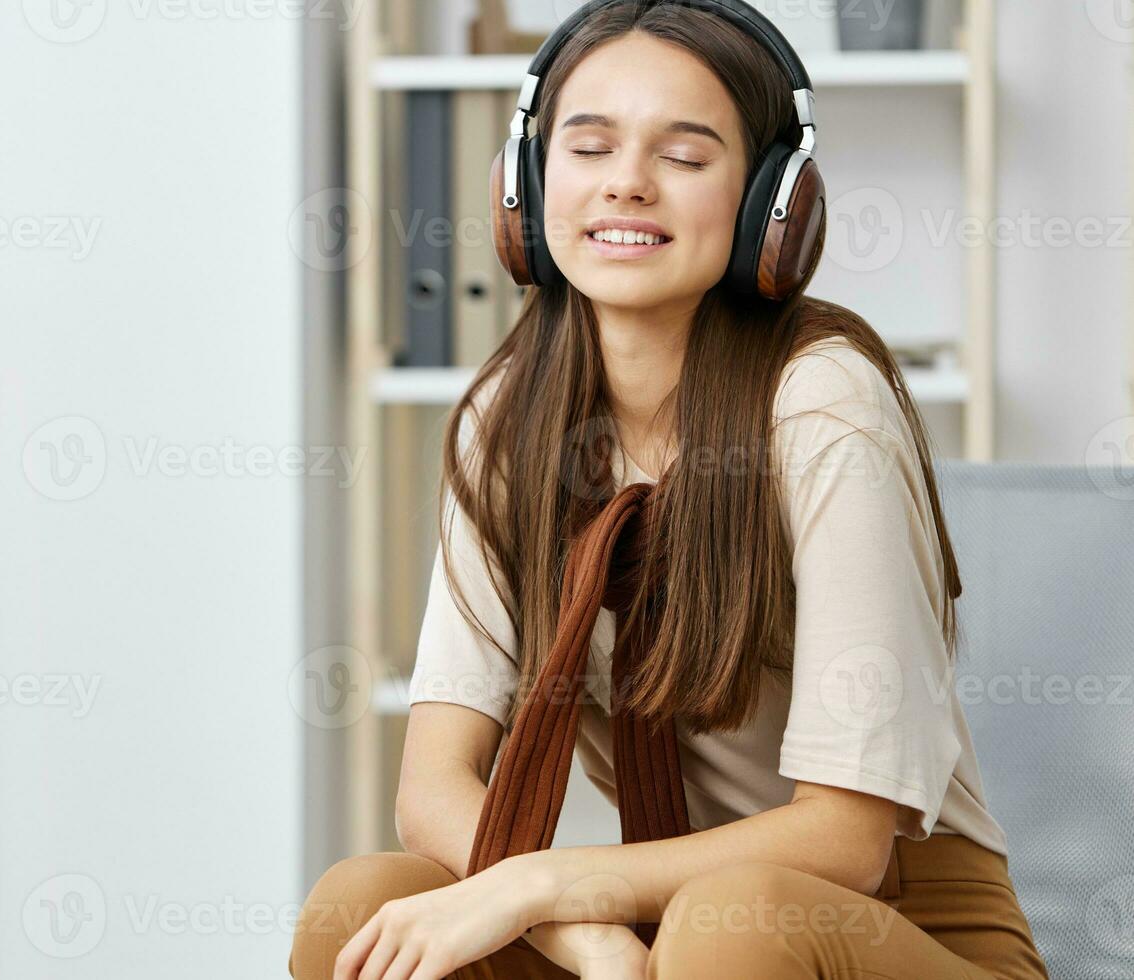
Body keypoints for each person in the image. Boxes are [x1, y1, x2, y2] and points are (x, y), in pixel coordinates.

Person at [290, 2, 1050, 977]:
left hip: (876, 925)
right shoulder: (508, 422)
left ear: (772, 204)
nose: (626, 184)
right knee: (360, 904)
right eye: (590, 146)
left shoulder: (823, 405)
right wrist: (588, 932)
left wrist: (538, 884)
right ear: (524, 184)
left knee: (733, 922)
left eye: (685, 158)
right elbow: (434, 784)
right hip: (661, 918)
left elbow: (846, 839)